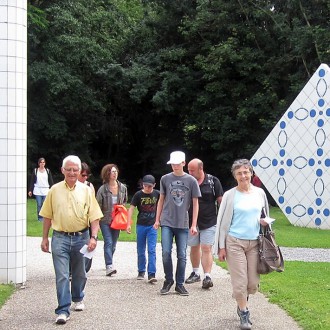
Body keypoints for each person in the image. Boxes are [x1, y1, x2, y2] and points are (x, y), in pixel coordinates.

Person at [40, 155, 103, 325]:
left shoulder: (86, 190)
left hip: (81, 237)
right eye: (68, 169)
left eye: (75, 170)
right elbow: (47, 216)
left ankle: (78, 296)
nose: (72, 173)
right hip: (59, 238)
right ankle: (62, 310)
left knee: (79, 274)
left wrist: (94, 237)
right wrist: (44, 238)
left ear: (80, 171)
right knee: (61, 275)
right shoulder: (54, 190)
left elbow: (94, 217)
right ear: (62, 171)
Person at [213, 159, 269, 330]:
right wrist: (221, 247)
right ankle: (244, 313)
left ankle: (241, 302)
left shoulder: (260, 193)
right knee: (239, 282)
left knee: (252, 284)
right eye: (239, 173)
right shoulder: (230, 195)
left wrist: (264, 222)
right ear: (235, 176)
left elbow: (264, 214)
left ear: (251, 173)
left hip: (254, 243)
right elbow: (222, 222)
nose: (243, 176)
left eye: (246, 172)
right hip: (234, 242)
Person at [154, 151, 201, 296]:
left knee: (182, 255)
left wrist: (193, 224)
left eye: (177, 163)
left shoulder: (191, 181)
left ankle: (179, 284)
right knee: (166, 252)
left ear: (183, 163)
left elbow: (195, 203)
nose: (174, 166)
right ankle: (168, 280)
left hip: (182, 222)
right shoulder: (165, 179)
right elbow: (161, 199)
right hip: (167, 220)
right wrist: (157, 219)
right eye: (172, 164)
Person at [185, 158, 223, 289]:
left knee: (206, 248)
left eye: (192, 170)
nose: (189, 173)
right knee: (194, 247)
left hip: (209, 221)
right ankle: (195, 272)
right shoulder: (187, 182)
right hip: (191, 222)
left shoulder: (213, 181)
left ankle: (207, 276)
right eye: (188, 170)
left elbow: (220, 201)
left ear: (201, 169)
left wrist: (223, 220)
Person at [127, 174, 160, 283]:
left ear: (154, 185)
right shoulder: (138, 195)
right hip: (141, 224)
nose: (147, 188)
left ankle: (151, 273)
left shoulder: (157, 194)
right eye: (145, 186)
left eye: (150, 186)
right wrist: (128, 223)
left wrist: (158, 221)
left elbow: (162, 207)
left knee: (152, 250)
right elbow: (131, 209)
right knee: (141, 249)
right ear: (143, 185)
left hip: (152, 225)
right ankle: (141, 271)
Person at [96, 163, 128, 276]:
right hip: (105, 220)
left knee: (113, 244)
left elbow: (124, 202)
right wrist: (97, 223)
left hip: (117, 220)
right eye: (112, 172)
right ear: (107, 174)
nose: (114, 173)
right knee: (108, 242)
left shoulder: (122, 188)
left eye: (116, 171)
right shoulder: (102, 189)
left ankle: (109, 261)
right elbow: (97, 206)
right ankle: (109, 266)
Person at [78, 162, 95, 273]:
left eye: (86, 175)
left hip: (87, 220)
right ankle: (73, 269)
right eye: (83, 175)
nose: (85, 177)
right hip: (75, 220)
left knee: (89, 244)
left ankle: (85, 268)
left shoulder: (89, 186)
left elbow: (93, 205)